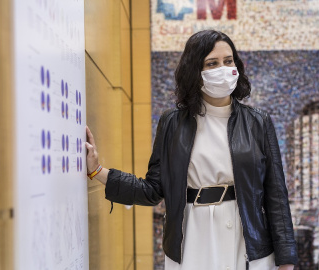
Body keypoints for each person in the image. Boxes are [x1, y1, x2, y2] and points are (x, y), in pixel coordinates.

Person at [85, 30, 297, 270]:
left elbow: (276, 195)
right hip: (191, 238)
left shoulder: (258, 122)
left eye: (228, 61)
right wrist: (98, 172)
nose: (223, 69)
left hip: (248, 242)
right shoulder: (172, 123)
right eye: (212, 63)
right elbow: (154, 189)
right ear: (194, 72)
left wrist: (286, 260)